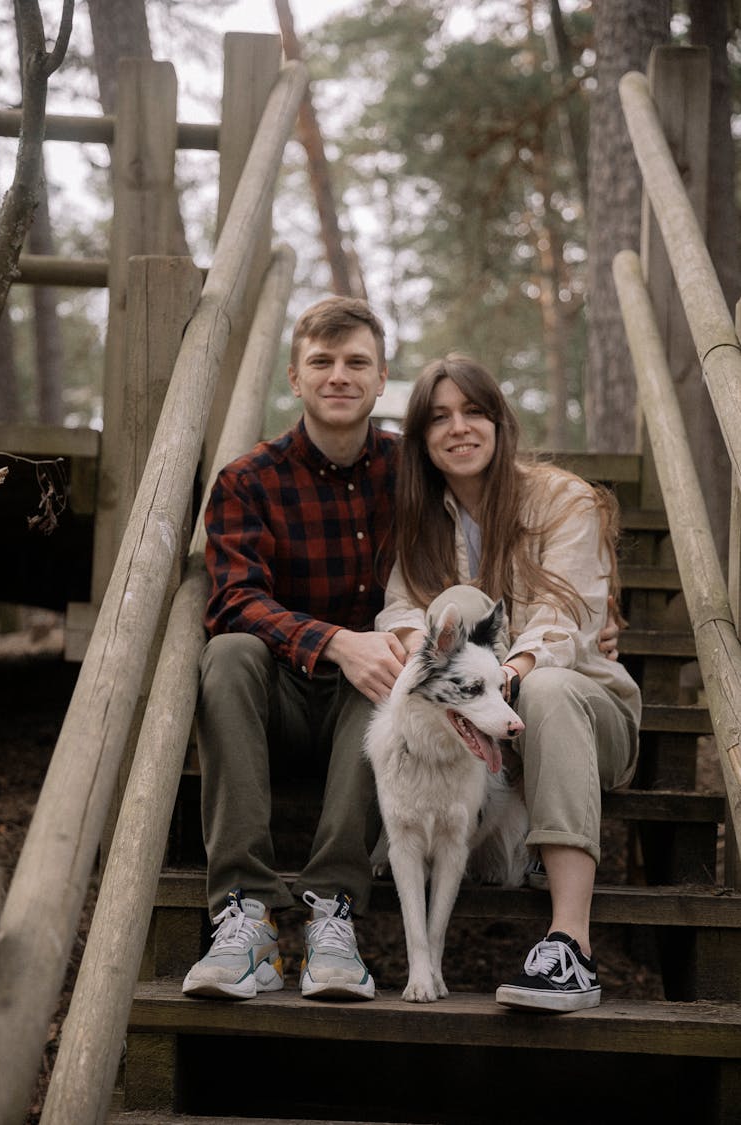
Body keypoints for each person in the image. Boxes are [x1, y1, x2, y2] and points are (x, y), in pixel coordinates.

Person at [374, 353, 641, 1013]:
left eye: (473, 411)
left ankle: (569, 945)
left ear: (498, 420)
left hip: (584, 711)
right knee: (439, 633)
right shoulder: (421, 518)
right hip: (478, 732)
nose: (459, 428)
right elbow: (403, 612)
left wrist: (508, 677)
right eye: (439, 417)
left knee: (545, 689)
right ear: (421, 438)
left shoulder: (562, 498)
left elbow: (567, 619)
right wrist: (433, 666)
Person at [182, 296, 406, 1002]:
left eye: (356, 362)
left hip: (360, 708)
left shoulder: (411, 472)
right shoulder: (249, 479)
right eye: (322, 362)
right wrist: (336, 641)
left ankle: (333, 914)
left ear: (380, 377)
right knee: (228, 651)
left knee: (392, 670)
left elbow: (495, 514)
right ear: (294, 376)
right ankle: (244, 914)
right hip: (272, 699)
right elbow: (234, 599)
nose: (339, 375)